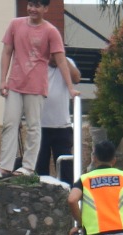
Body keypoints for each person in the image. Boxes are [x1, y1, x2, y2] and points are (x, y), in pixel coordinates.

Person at [0, 0, 77, 180]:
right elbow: (6, 52)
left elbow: (61, 60)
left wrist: (70, 88)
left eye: (38, 5)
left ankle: (28, 167)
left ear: (45, 9)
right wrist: (2, 80)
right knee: (10, 123)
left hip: (37, 85)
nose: (32, 9)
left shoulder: (51, 31)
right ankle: (4, 166)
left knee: (33, 126)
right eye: (30, 4)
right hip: (15, 82)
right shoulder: (15, 24)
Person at [34, 53, 81, 182]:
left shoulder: (67, 62)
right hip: (40, 126)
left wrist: (62, 58)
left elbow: (76, 78)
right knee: (40, 168)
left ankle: (68, 196)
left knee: (66, 168)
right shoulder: (39, 63)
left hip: (62, 126)